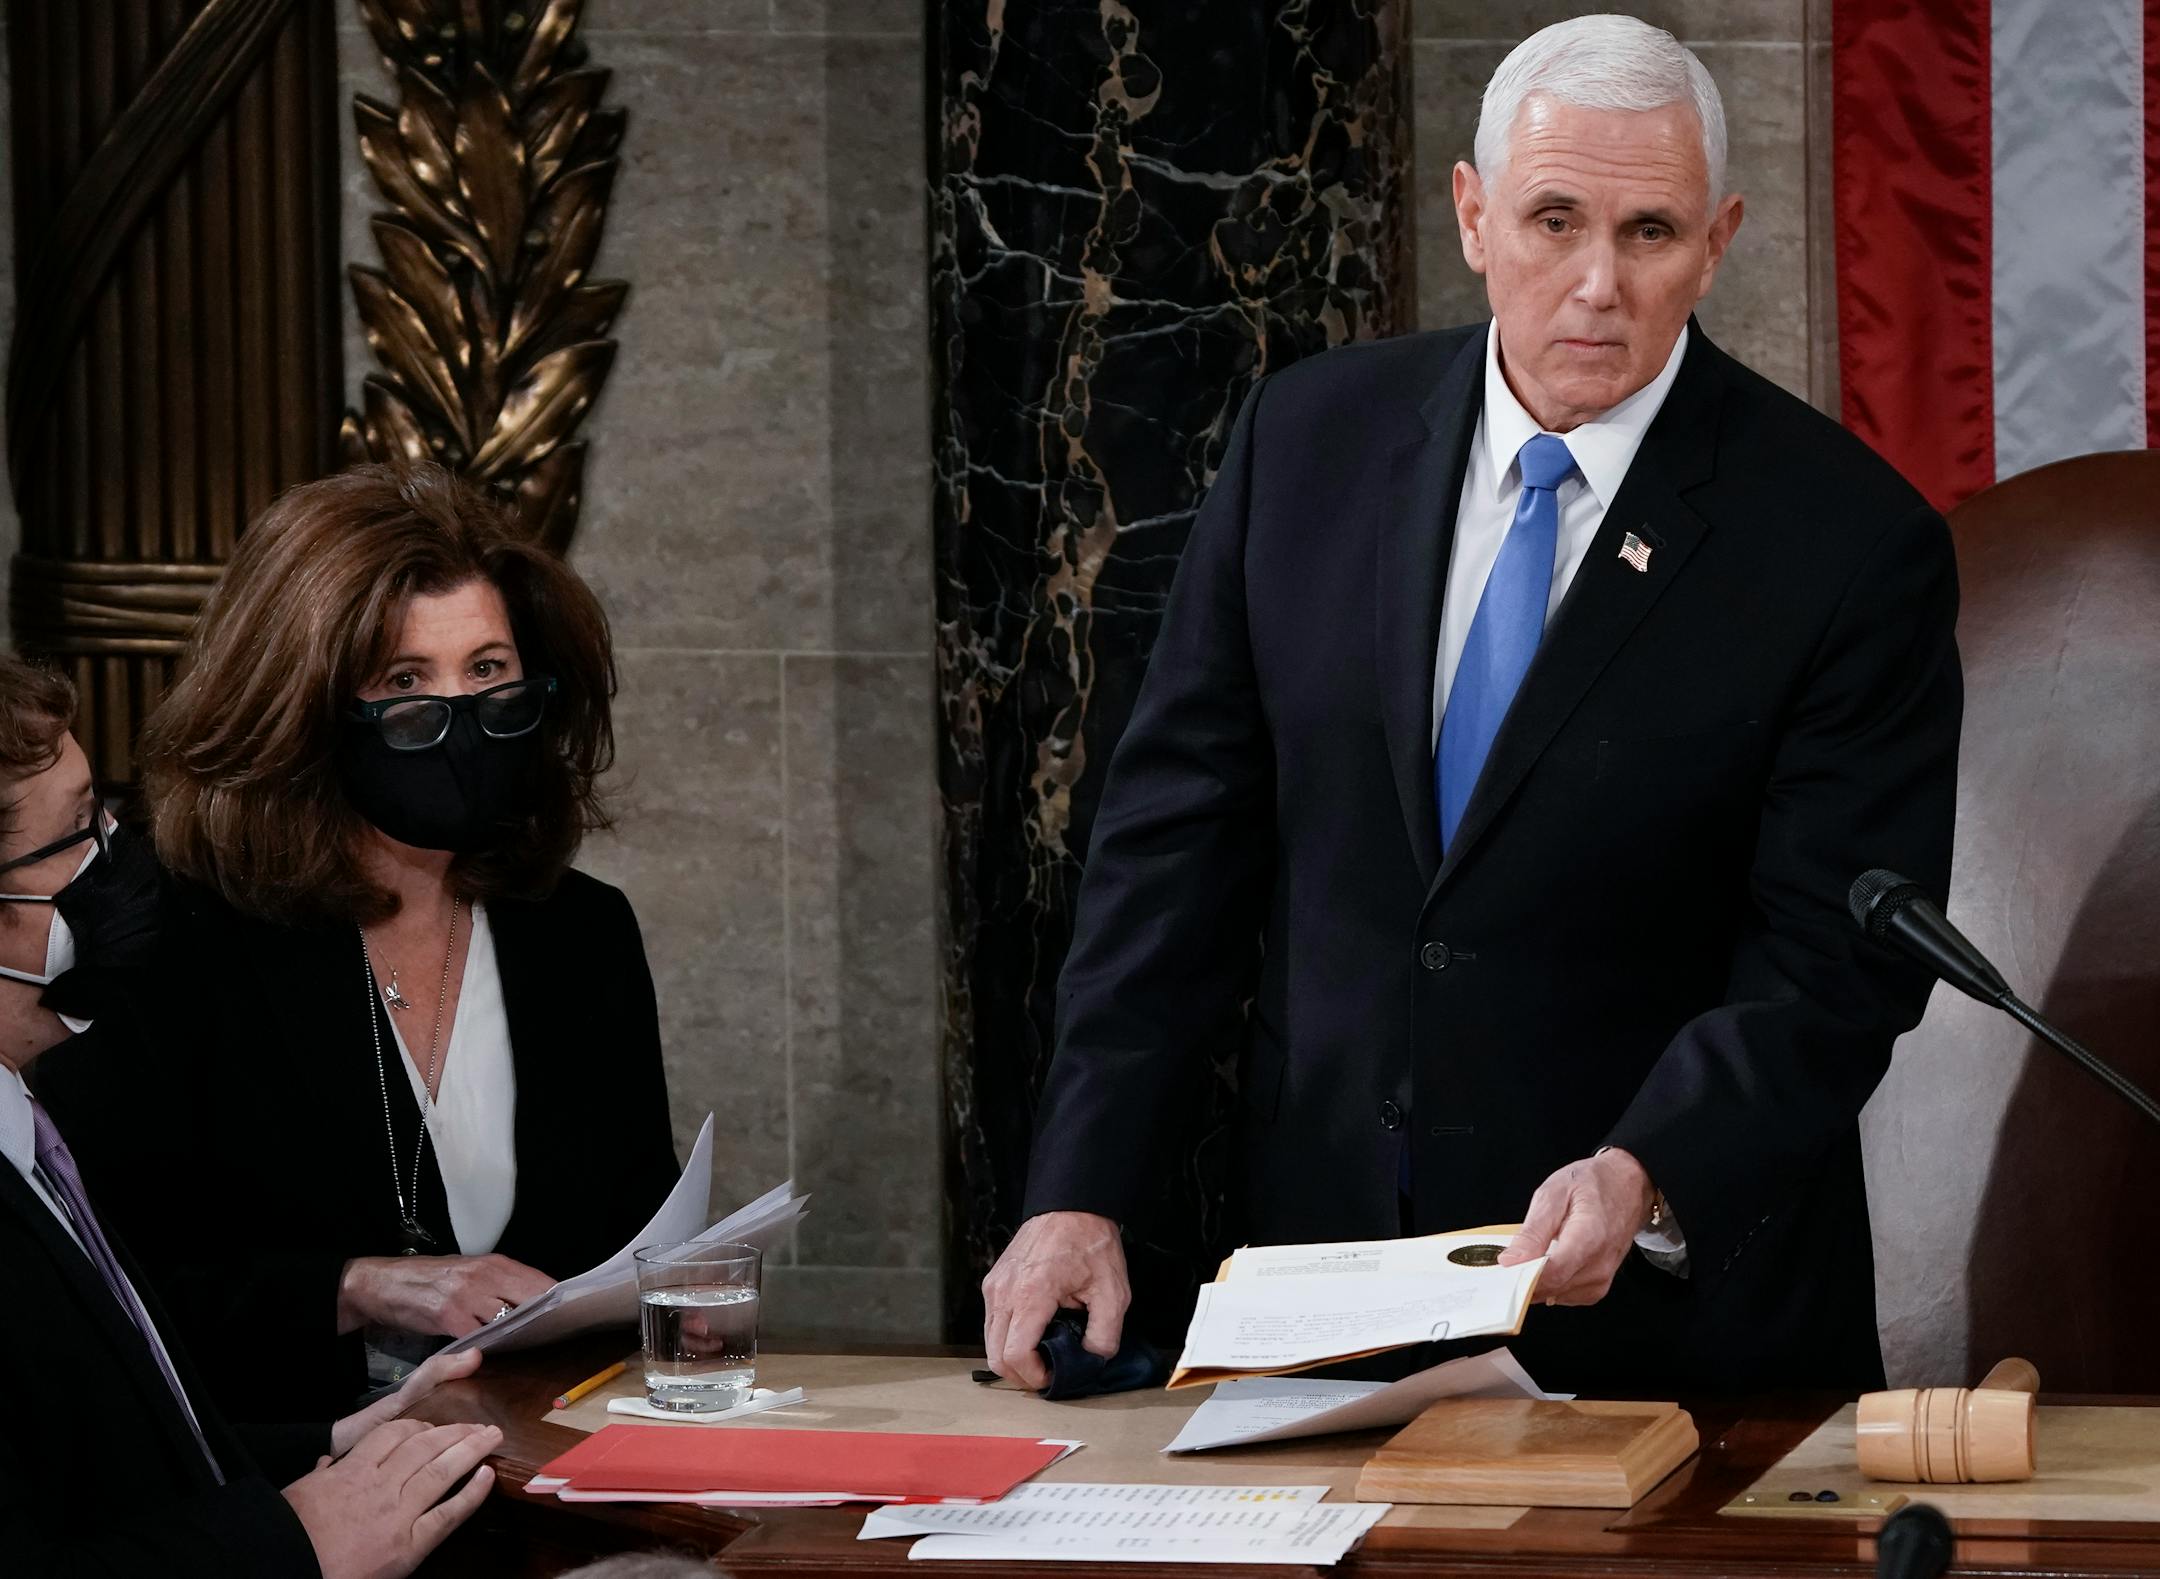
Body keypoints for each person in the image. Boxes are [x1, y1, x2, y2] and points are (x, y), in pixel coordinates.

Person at [982, 14, 1961, 1397]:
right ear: (1471, 214)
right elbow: (1171, 853)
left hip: (1672, 1343)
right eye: (1554, 220)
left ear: (1721, 239)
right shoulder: (1305, 442)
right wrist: (1078, 1186)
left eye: (1652, 232)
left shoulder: (1849, 541)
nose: (1599, 285)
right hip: (1325, 1302)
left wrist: (1652, 1169)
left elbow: (1835, 956)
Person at [33, 462, 681, 1422]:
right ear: (300, 709)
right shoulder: (173, 936)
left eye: (488, 671)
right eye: (406, 681)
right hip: (276, 1492)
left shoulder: (580, 930)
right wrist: (351, 1284)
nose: (462, 717)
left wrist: (677, 1297)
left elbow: (638, 1232)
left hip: (547, 1469)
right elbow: (102, 1290)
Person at [0, 653, 501, 1576]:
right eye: (78, 831)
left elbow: (131, 1456)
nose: (118, 850)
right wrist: (293, 1543)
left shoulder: (26, 1123)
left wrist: (353, 1436)